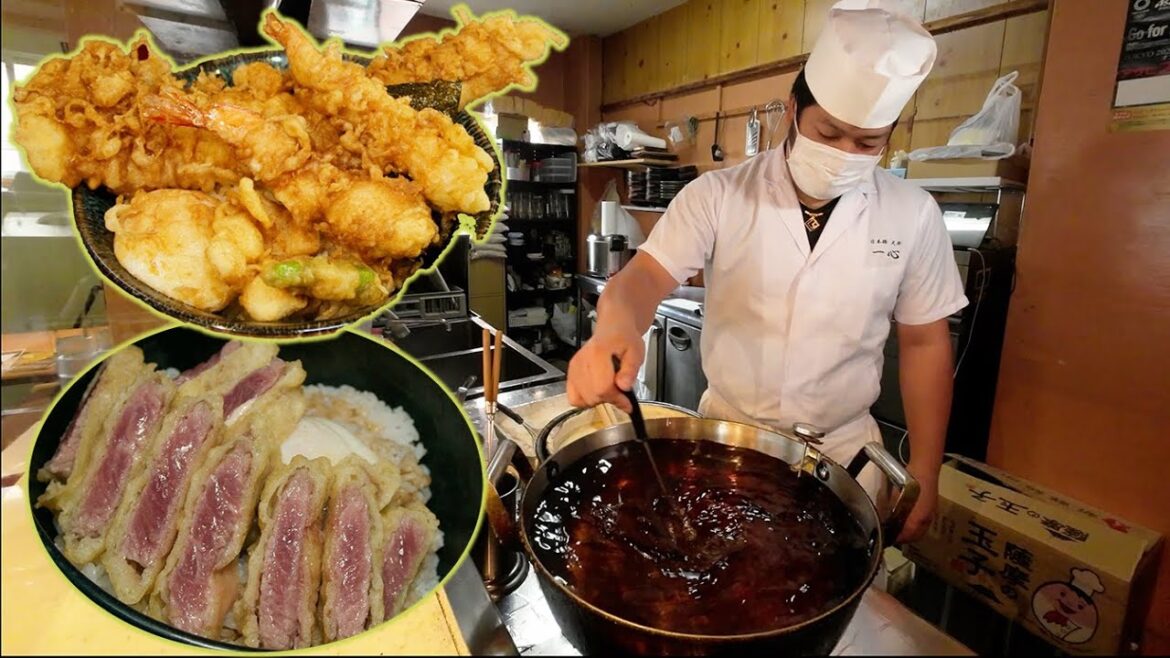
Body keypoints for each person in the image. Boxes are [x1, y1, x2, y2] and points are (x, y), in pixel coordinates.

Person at [566, 0, 967, 544]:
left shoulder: (913, 213)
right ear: (792, 108)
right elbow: (641, 280)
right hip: (733, 441)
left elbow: (924, 343)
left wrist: (925, 469)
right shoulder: (718, 195)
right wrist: (614, 329)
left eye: (867, 143)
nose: (845, 153)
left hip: (845, 457)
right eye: (828, 132)